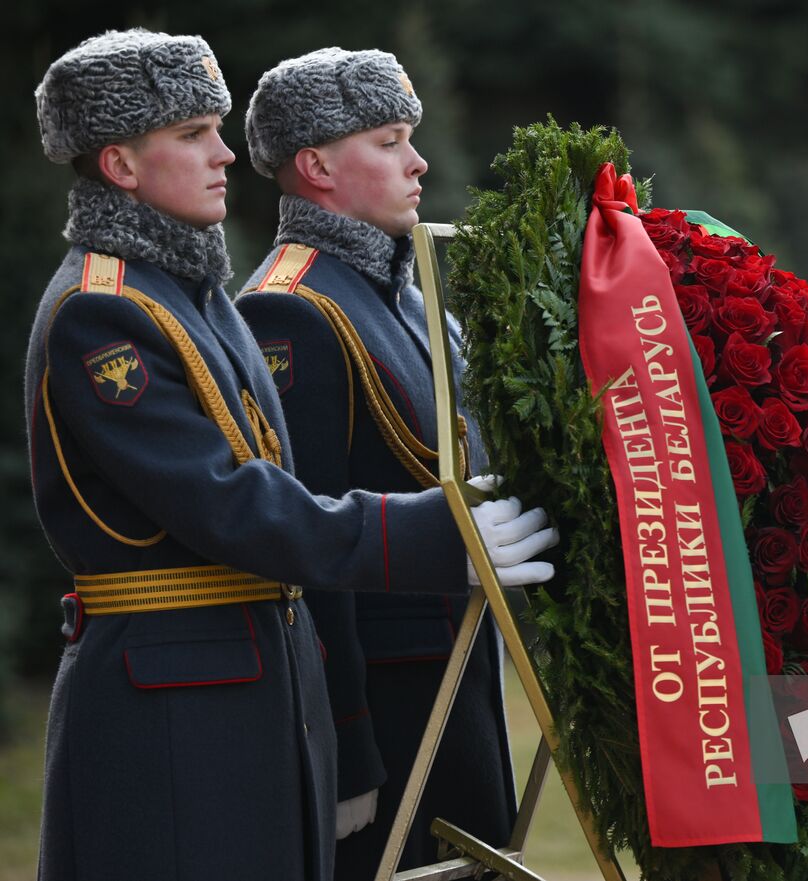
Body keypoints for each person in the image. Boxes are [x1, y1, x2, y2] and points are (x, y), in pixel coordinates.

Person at [25, 30, 556, 881]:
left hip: (248, 682)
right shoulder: (105, 311)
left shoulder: (185, 293)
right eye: (192, 134)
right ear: (122, 166)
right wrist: (433, 537)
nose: (224, 153)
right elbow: (231, 501)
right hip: (173, 695)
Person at [235, 49, 514, 877]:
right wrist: (347, 751)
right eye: (390, 141)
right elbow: (306, 547)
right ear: (316, 166)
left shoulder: (409, 290)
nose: (418, 161)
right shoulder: (291, 305)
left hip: (457, 673)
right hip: (390, 710)